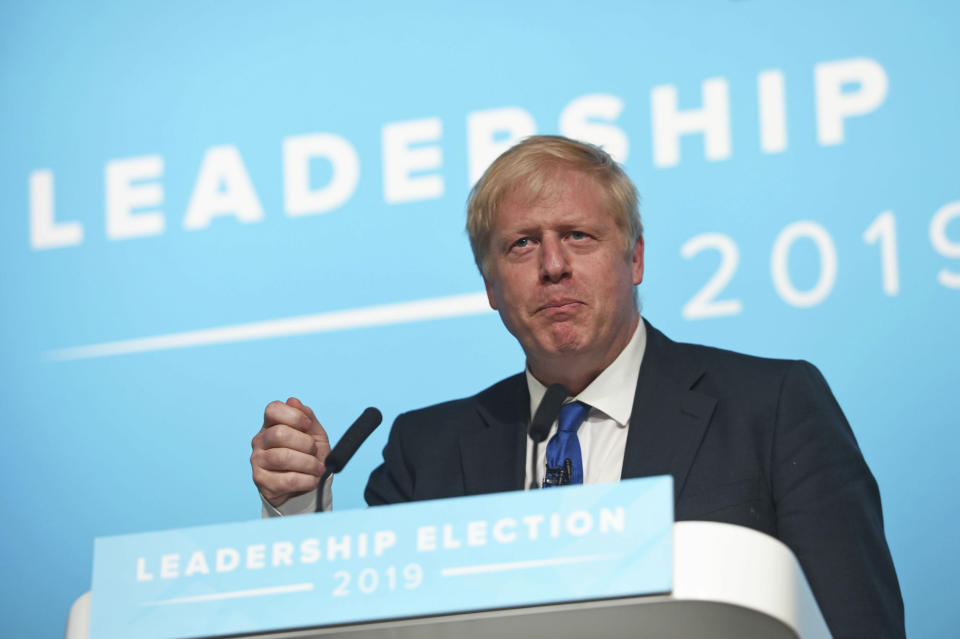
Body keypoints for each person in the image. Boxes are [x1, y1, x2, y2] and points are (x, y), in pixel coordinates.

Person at [250, 135, 904, 637]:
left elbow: (855, 622)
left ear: (636, 257)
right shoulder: (427, 450)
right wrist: (300, 512)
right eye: (522, 245)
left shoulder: (771, 406)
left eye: (578, 236)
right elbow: (359, 621)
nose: (554, 266)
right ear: (490, 287)